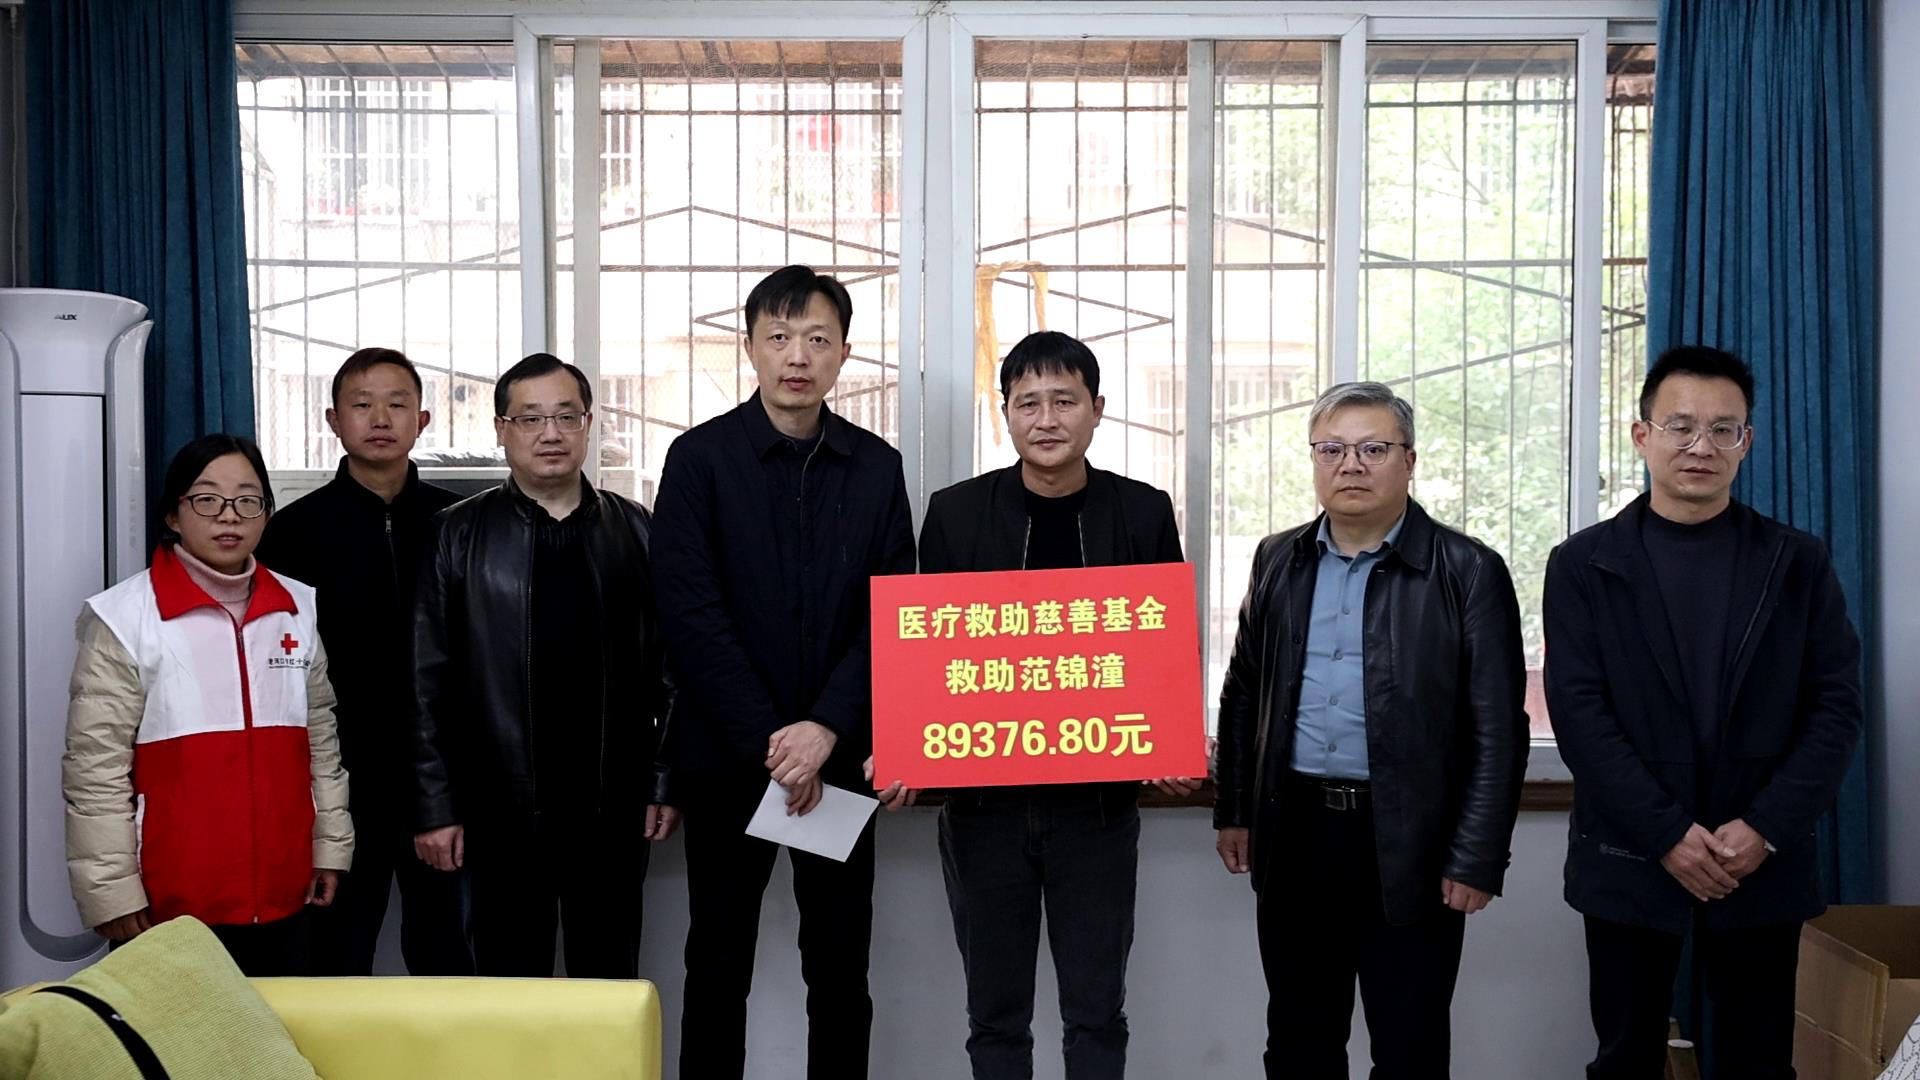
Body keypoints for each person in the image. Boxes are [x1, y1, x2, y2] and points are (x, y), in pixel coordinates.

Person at [1545, 346, 1863, 1080]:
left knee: (1758, 1062)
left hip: (1758, 858)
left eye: (1724, 429)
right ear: (1642, 435)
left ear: (1747, 442)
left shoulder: (1797, 562)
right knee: (1624, 1059)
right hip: (1630, 853)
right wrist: (1666, 833)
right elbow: (1581, 715)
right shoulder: (1583, 564)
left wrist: (1765, 828)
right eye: (1681, 426)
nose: (1701, 446)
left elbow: (1835, 707)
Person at [1213, 381, 1528, 1079]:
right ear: (1314, 460)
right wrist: (1234, 809)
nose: (1351, 465)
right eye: (1332, 449)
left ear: (1408, 461)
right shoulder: (1278, 559)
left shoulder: (1467, 569)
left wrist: (1477, 856)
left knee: (1409, 1046)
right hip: (1295, 832)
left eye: (1373, 449)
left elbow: (1499, 730)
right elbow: (1243, 694)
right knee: (1299, 1040)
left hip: (1411, 840)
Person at [651, 265, 915, 1080]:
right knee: (716, 963)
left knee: (839, 970)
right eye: (779, 337)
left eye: (817, 339)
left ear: (844, 355)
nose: (797, 356)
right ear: (751, 348)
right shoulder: (698, 460)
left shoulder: (876, 467)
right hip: (731, 761)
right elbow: (690, 616)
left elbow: (890, 612)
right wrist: (776, 744)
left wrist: (825, 728)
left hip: (836, 762)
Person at [912, 330, 1190, 1079]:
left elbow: (1161, 650)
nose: (1046, 419)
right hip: (983, 810)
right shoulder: (956, 514)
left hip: (1096, 812)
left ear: (1097, 408)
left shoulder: (1142, 512)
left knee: (1096, 1014)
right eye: (1027, 402)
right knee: (995, 1017)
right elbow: (928, 659)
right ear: (1004, 413)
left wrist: (1170, 739)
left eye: (1064, 401)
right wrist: (905, 746)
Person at [411, 352, 677, 979]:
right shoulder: (456, 534)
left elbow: (671, 672)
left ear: (589, 424)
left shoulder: (638, 531)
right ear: (501, 430)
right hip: (496, 809)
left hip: (610, 808)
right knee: (509, 990)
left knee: (608, 982)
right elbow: (425, 681)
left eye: (566, 416)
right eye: (530, 419)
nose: (550, 434)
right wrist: (436, 805)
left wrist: (662, 780)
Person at [64, 434, 353, 976]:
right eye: (206, 499)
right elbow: (94, 767)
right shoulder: (123, 618)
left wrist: (330, 848)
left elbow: (321, 742)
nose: (229, 515)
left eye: (247, 500)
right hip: (168, 900)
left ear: (267, 513)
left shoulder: (297, 607)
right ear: (173, 515)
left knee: (272, 1029)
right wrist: (111, 892)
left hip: (284, 890)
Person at [257, 347, 471, 977]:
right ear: (333, 420)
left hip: (443, 783)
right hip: (338, 784)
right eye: (362, 404)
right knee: (336, 957)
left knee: (447, 957)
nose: (380, 418)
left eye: (397, 404)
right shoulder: (291, 533)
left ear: (423, 420)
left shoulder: (459, 525)